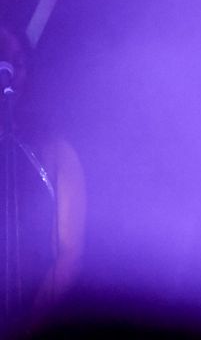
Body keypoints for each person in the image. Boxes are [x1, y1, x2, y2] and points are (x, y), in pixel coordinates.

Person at [0, 23, 86, 335]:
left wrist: (30, 324)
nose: (8, 71)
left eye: (17, 62)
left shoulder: (56, 151)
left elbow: (69, 252)